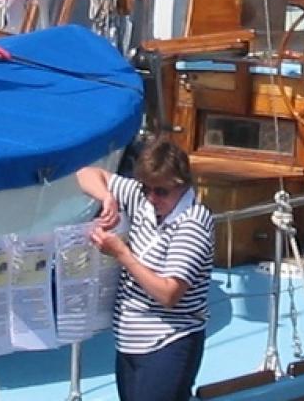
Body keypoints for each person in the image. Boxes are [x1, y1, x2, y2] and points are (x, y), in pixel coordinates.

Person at [76, 140, 214, 401]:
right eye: (145, 188)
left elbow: (168, 294)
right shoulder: (143, 199)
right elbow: (85, 174)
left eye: (161, 191)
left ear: (182, 185)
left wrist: (122, 255)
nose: (152, 198)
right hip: (130, 342)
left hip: (169, 343)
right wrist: (107, 198)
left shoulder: (193, 224)